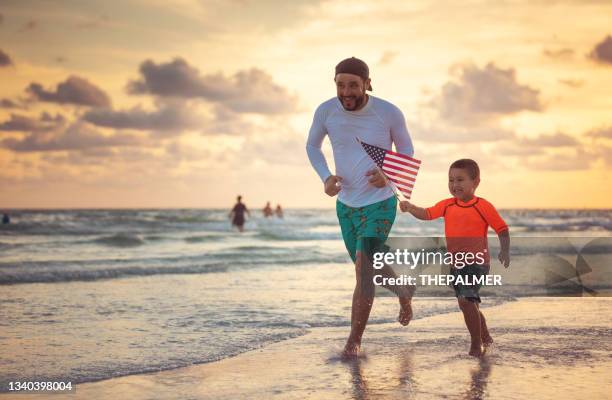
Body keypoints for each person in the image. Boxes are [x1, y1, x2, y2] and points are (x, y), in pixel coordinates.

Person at [306, 57, 415, 357]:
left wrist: (388, 173)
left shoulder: (388, 112)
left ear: (367, 83)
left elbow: (406, 150)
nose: (346, 92)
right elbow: (312, 146)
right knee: (373, 268)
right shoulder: (326, 110)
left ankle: (353, 342)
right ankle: (403, 292)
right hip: (346, 205)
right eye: (341, 85)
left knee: (363, 269)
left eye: (353, 85)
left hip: (380, 202)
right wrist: (326, 177)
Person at [399, 159, 510, 357]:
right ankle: (486, 337)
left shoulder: (482, 206)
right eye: (451, 180)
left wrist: (505, 250)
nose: (454, 185)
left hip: (477, 263)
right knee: (468, 303)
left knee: (466, 301)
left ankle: (477, 344)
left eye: (460, 180)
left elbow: (502, 229)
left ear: (475, 182)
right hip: (457, 264)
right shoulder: (447, 205)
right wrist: (411, 207)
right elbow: (427, 214)